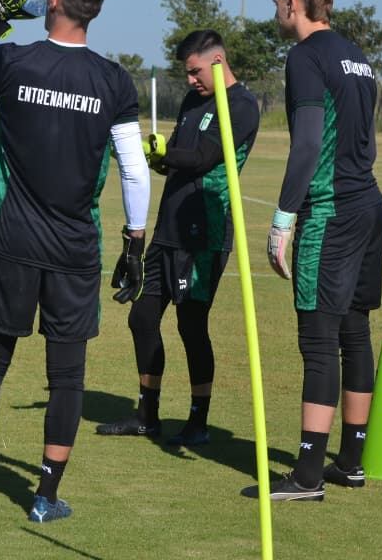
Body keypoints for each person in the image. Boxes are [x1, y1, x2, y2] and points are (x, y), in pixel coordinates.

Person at [0, 0, 150, 522]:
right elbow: (132, 169)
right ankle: (45, 498)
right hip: (76, 250)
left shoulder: (13, 58)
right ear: (93, 10)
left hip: (12, 241)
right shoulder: (113, 79)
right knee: (68, 377)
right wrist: (134, 242)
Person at [244, 0, 382, 502]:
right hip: (370, 203)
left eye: (276, 4)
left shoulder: (304, 56)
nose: (276, 14)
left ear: (291, 4)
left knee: (319, 339)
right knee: (354, 331)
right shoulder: (357, 53)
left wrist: (283, 218)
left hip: (331, 211)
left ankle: (307, 475)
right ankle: (349, 462)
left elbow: (306, 145)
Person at [95, 30, 259, 446]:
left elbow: (204, 157)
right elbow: (180, 158)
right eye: (187, 73)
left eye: (195, 71)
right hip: (169, 228)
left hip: (204, 232)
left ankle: (198, 421)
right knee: (142, 318)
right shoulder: (193, 100)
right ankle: (147, 417)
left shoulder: (242, 106)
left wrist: (162, 153)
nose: (190, 80)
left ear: (218, 61)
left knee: (191, 325)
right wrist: (156, 157)